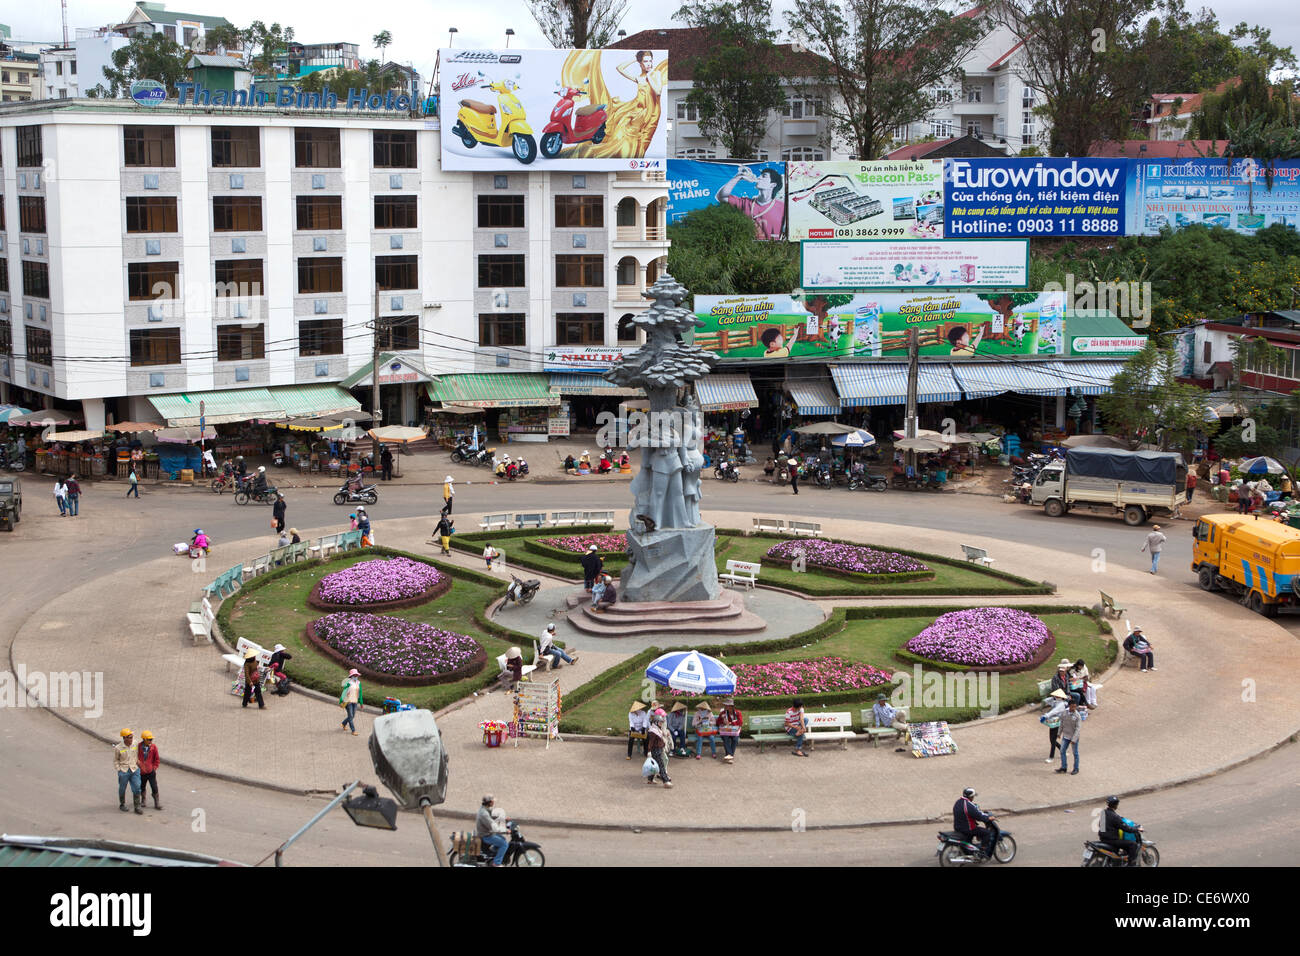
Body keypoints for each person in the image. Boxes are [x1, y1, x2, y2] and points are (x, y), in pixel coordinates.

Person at [717, 165, 785, 240]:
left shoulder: (782, 207)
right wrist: (738, 177)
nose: (759, 177)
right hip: (749, 248)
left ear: (773, 184)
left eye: (764, 176)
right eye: (760, 175)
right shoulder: (745, 203)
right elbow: (721, 197)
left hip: (773, 248)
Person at [953, 787, 997, 859]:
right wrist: (988, 818)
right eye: (973, 796)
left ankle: (970, 852)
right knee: (986, 833)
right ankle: (982, 852)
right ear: (971, 797)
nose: (973, 798)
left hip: (958, 827)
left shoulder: (958, 802)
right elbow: (979, 816)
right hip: (968, 828)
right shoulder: (968, 805)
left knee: (974, 834)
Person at [1099, 795, 1141, 867]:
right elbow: (1126, 828)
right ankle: (1131, 865)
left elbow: (1101, 825)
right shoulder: (1114, 816)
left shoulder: (1104, 813)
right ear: (1116, 805)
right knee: (1133, 845)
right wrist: (1136, 829)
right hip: (1112, 840)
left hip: (1103, 839)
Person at [114, 729, 144, 814]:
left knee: (137, 787)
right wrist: (119, 769)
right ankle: (122, 804)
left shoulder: (135, 744)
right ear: (124, 738)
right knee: (122, 788)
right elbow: (116, 760)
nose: (131, 739)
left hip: (134, 769)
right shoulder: (118, 748)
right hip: (124, 771)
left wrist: (137, 761)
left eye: (132, 737)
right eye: (130, 737)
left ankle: (137, 806)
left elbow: (136, 754)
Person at [476, 794, 510, 866]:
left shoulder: (484, 808)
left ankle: (494, 854)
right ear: (489, 802)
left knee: (503, 838)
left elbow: (491, 817)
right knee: (504, 844)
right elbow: (494, 827)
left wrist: (503, 819)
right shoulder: (484, 814)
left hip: (487, 832)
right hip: (486, 835)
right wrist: (505, 830)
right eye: (492, 801)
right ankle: (496, 863)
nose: (493, 802)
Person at [1040, 688, 1068, 763]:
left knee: (1053, 740)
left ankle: (1051, 757)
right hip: (1054, 722)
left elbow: (1053, 712)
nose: (1055, 697)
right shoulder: (1056, 701)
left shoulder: (1061, 704)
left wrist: (1045, 716)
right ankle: (1063, 750)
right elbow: (1048, 700)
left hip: (1058, 723)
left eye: (1056, 696)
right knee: (1052, 739)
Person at [646, 711, 673, 788]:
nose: (661, 724)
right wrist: (649, 751)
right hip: (655, 751)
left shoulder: (657, 730)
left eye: (661, 722)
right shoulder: (653, 731)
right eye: (660, 722)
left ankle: (650, 779)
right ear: (655, 722)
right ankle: (666, 781)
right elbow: (650, 743)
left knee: (655, 765)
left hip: (659, 750)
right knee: (661, 766)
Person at [1056, 700, 1082, 775]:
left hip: (1074, 737)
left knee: (1075, 753)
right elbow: (1061, 724)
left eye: (1075, 706)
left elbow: (1078, 729)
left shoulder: (1077, 716)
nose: (1074, 708)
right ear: (1069, 706)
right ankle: (1064, 767)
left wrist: (1074, 739)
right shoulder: (1064, 713)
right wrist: (1059, 733)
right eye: (1072, 706)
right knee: (1062, 751)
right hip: (1066, 736)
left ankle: (1076, 768)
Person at [137, 731, 161, 810]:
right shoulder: (138, 747)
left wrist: (154, 768)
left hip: (151, 772)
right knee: (142, 786)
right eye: (149, 740)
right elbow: (135, 758)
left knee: (154, 787)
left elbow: (157, 759)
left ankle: (156, 802)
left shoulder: (154, 747)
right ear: (144, 739)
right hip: (141, 772)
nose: (151, 741)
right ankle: (143, 799)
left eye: (151, 740)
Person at [716, 697, 743, 763]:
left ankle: (729, 755)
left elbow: (740, 722)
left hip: (734, 731)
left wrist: (731, 723)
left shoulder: (737, 713)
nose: (725, 706)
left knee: (735, 739)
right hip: (725, 731)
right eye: (725, 705)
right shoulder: (723, 713)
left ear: (731, 706)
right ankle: (730, 756)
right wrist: (723, 721)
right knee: (725, 738)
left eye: (727, 705)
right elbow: (717, 722)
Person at [339, 668, 362, 734]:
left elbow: (360, 692)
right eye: (354, 675)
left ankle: (343, 723)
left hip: (355, 701)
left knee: (352, 716)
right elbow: (344, 692)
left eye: (356, 675)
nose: (356, 677)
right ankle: (353, 730)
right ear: (351, 676)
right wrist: (341, 701)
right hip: (348, 701)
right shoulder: (348, 683)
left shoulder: (358, 683)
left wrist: (361, 702)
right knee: (351, 716)